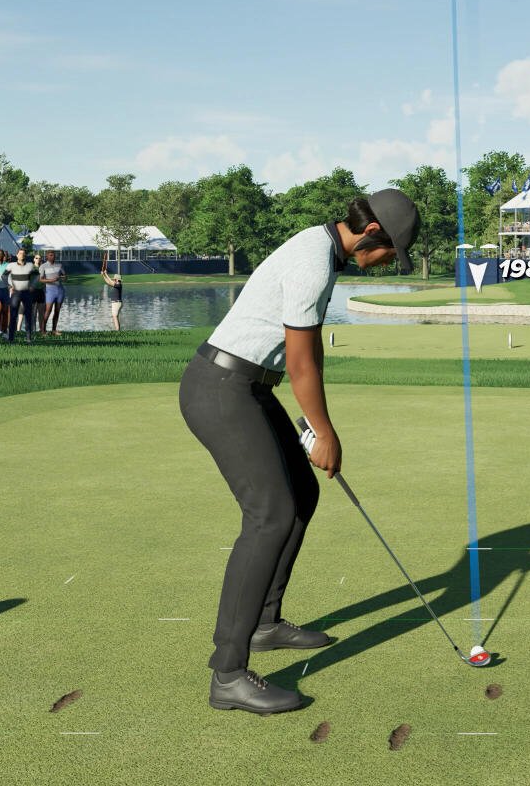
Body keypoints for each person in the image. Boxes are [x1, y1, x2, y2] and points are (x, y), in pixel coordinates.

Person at [181, 188, 419, 715]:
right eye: (389, 254)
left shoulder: (322, 247)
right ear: (373, 233)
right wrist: (324, 432)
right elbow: (304, 363)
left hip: (250, 387)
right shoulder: (314, 263)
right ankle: (228, 674)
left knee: (301, 495)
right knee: (270, 515)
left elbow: (295, 361)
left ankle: (265, 622)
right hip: (221, 387)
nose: (384, 265)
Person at [6, 249, 38, 342]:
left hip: (27, 293)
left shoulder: (30, 265)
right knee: (13, 316)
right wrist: (9, 286)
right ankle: (11, 338)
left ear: (26, 255)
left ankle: (28, 338)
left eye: (24, 253)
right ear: (17, 255)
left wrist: (33, 285)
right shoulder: (11, 265)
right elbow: (4, 276)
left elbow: (37, 276)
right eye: (20, 253)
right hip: (16, 293)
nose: (22, 255)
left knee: (28, 315)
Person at [40, 249, 67, 335]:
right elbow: (41, 280)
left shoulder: (59, 265)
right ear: (47, 256)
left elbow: (66, 277)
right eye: (51, 255)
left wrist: (63, 277)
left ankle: (54, 330)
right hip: (50, 290)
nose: (53, 257)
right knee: (48, 310)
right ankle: (43, 331)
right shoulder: (43, 266)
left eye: (54, 255)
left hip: (60, 290)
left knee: (57, 310)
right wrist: (52, 280)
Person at [101, 251, 126, 332]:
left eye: (114, 279)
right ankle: (118, 329)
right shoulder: (116, 284)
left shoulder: (118, 284)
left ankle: (117, 330)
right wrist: (104, 275)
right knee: (115, 316)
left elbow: (110, 282)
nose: (114, 280)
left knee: (114, 316)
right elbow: (108, 282)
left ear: (116, 279)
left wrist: (106, 274)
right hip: (116, 303)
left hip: (117, 303)